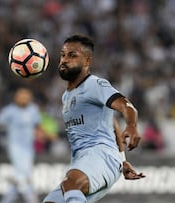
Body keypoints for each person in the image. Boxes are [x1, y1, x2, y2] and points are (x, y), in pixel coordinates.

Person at [42, 34, 144, 203]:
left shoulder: (95, 85)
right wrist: (123, 161)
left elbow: (126, 105)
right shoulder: (66, 96)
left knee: (72, 183)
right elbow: (112, 124)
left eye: (72, 55)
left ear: (87, 61)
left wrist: (132, 125)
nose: (64, 60)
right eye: (63, 55)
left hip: (101, 156)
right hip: (85, 160)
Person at [0, 87, 40, 203]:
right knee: (24, 178)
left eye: (27, 95)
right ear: (16, 98)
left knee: (18, 179)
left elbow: (38, 127)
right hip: (16, 148)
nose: (24, 98)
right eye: (22, 95)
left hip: (29, 149)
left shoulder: (33, 110)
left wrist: (45, 136)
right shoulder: (10, 111)